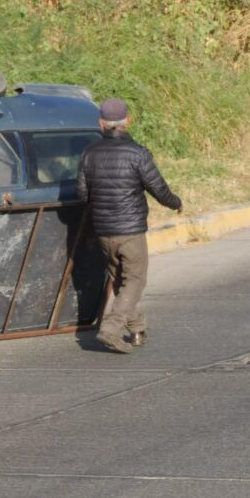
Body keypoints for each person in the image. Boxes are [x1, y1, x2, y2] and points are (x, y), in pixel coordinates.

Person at [76, 98, 182, 354]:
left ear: (101, 123)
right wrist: (175, 203)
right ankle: (111, 328)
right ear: (128, 122)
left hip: (103, 230)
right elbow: (158, 188)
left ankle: (137, 329)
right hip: (131, 230)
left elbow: (82, 194)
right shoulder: (137, 153)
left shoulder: (89, 154)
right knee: (135, 280)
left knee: (122, 281)